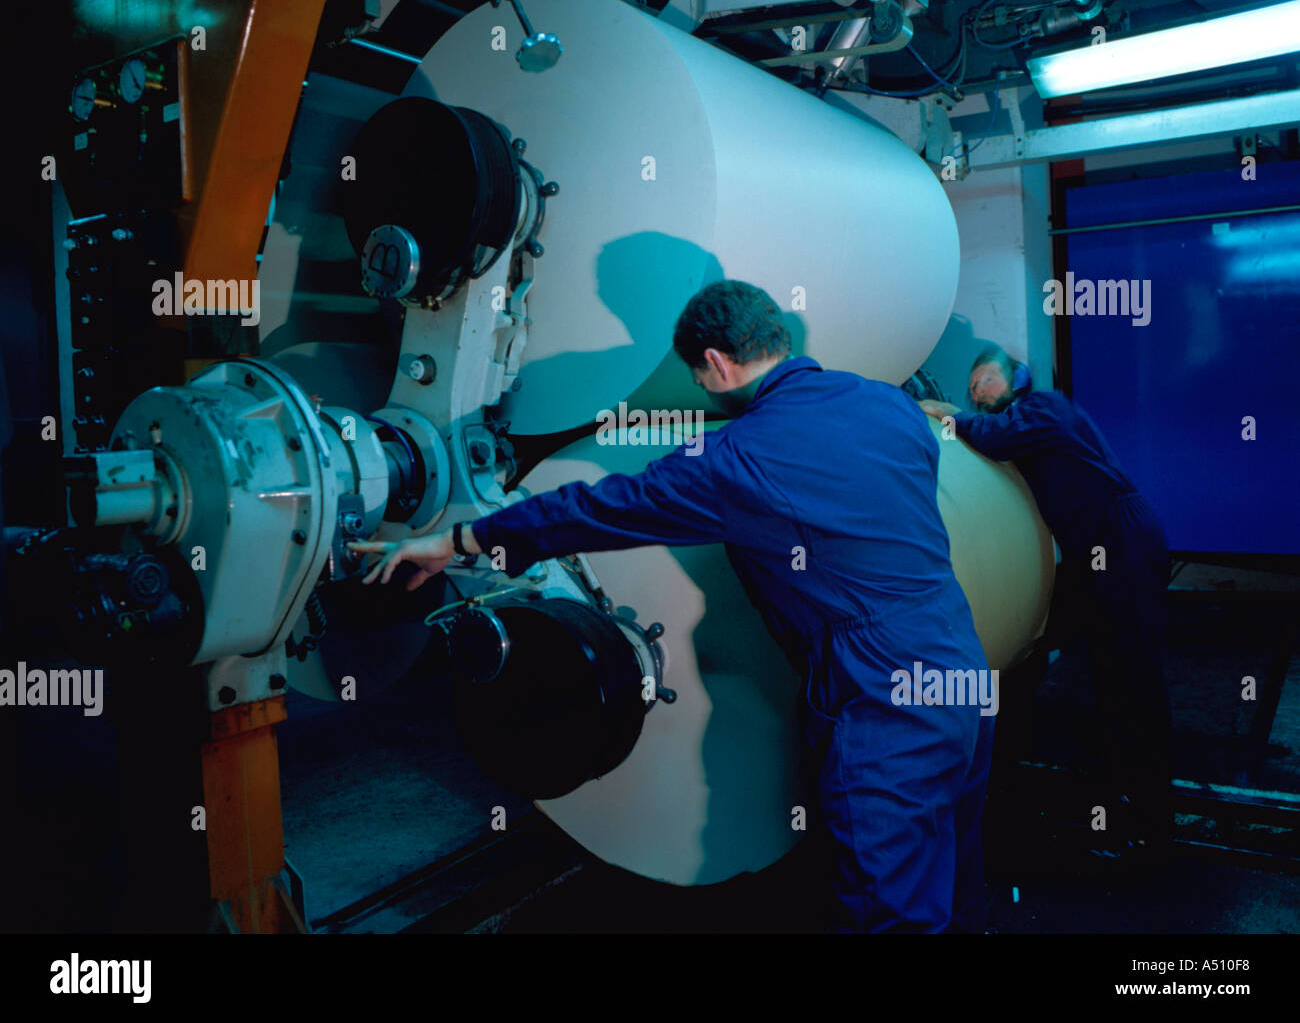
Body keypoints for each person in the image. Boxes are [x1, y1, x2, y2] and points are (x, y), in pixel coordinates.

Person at [350, 280, 994, 932]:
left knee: (885, 906)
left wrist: (460, 539)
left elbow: (601, 508)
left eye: (696, 378)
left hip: (880, 690)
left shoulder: (738, 459)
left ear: (715, 364)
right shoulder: (888, 404)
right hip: (957, 655)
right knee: (952, 865)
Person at [920, 345, 1172, 858]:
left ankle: (1148, 821)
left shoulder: (1044, 408)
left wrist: (950, 415)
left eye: (985, 381)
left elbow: (991, 435)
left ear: (1019, 377)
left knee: (1131, 678)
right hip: (1099, 551)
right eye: (970, 389)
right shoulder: (1030, 422)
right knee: (1074, 655)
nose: (976, 393)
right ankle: (1053, 771)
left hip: (1119, 544)